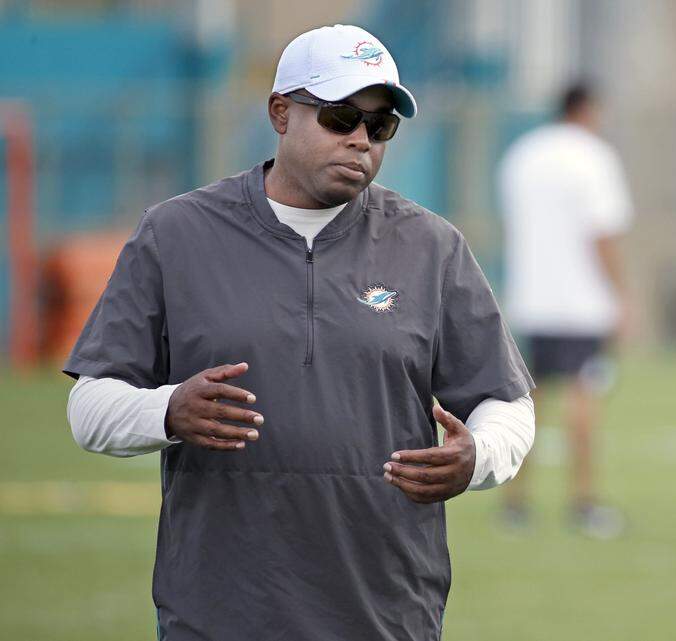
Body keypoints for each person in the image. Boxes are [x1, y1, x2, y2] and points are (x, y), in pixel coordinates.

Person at [64, 24, 535, 640]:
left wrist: (479, 457)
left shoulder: (430, 246)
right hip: (217, 614)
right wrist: (168, 411)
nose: (361, 140)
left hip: (386, 613)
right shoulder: (175, 234)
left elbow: (507, 401)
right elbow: (88, 405)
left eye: (381, 124)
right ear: (281, 112)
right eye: (341, 117)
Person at [497, 82, 633, 538]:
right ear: (586, 108)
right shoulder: (593, 157)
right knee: (583, 398)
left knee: (526, 403)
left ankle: (515, 504)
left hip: (529, 298)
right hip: (579, 302)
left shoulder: (522, 155)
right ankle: (584, 502)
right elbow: (603, 234)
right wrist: (621, 295)